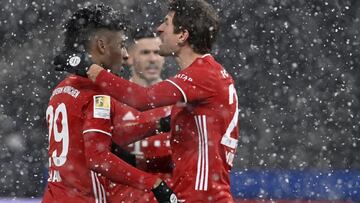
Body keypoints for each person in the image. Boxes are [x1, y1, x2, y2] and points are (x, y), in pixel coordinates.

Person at [55, 0, 239, 202]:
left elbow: (143, 99)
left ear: (183, 35)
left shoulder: (203, 75)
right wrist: (137, 160)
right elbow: (186, 156)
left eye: (166, 23)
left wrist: (90, 68)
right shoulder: (203, 79)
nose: (159, 29)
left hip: (202, 197)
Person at [44, 4, 177, 203]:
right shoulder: (98, 94)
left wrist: (158, 125)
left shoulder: (61, 89)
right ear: (102, 46)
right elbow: (98, 158)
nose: (125, 55)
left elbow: (104, 136)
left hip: (55, 196)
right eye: (121, 44)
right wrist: (153, 183)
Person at [109, 27, 173, 203]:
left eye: (157, 53)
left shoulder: (178, 103)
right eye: (145, 53)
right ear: (129, 57)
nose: (153, 59)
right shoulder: (112, 101)